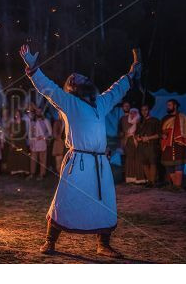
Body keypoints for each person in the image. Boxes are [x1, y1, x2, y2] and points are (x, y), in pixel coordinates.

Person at [20, 44, 141, 257]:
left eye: (82, 76)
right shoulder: (69, 103)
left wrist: (132, 73)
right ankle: (50, 241)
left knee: (105, 203)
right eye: (74, 78)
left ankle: (103, 244)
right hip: (78, 162)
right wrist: (33, 68)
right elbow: (47, 88)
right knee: (65, 199)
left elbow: (117, 89)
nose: (80, 78)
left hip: (100, 163)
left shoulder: (101, 103)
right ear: (72, 87)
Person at [160, 99, 186, 189]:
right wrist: (162, 135)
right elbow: (160, 131)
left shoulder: (183, 117)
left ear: (175, 106)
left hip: (179, 145)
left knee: (178, 165)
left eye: (169, 105)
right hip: (167, 145)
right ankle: (175, 186)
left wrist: (181, 138)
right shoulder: (165, 118)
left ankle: (178, 186)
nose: (167, 107)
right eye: (167, 105)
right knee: (169, 165)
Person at [135, 105, 160, 186]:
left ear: (149, 110)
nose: (144, 112)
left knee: (152, 162)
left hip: (151, 145)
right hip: (142, 145)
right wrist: (137, 138)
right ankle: (149, 181)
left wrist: (148, 138)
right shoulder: (140, 122)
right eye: (142, 110)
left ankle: (152, 181)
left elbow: (159, 134)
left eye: (146, 110)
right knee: (144, 163)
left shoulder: (155, 120)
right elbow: (136, 134)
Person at [28, 109, 52, 180]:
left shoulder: (46, 121)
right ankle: (32, 173)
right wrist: (30, 141)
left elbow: (50, 133)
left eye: (40, 111)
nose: (38, 112)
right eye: (37, 111)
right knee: (33, 159)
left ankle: (42, 174)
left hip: (42, 142)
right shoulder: (32, 121)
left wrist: (43, 137)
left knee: (42, 159)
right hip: (34, 142)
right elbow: (30, 132)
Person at [6, 109, 30, 176]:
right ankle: (14, 171)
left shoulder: (23, 122)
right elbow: (10, 132)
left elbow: (23, 131)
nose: (17, 115)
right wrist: (12, 139)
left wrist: (15, 134)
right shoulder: (12, 123)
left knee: (22, 155)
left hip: (21, 141)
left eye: (18, 113)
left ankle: (23, 171)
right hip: (15, 141)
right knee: (14, 155)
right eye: (16, 114)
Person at [124, 108, 144, 184]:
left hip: (136, 142)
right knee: (130, 160)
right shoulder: (128, 122)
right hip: (129, 143)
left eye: (134, 113)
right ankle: (131, 178)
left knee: (137, 160)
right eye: (131, 113)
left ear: (137, 113)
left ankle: (139, 179)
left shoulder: (139, 122)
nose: (132, 114)